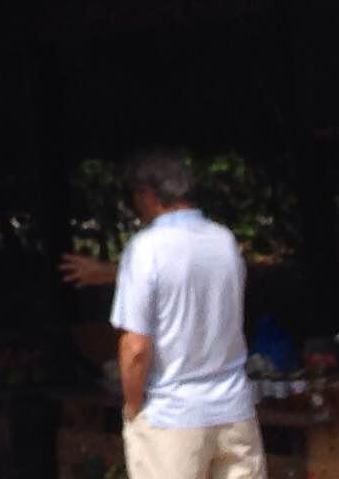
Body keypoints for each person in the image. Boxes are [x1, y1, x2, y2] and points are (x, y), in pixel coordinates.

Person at [59, 148, 260, 479]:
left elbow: (136, 348)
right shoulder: (224, 240)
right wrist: (113, 271)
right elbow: (188, 277)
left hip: (173, 417)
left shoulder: (146, 248)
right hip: (234, 411)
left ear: (147, 194)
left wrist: (133, 407)